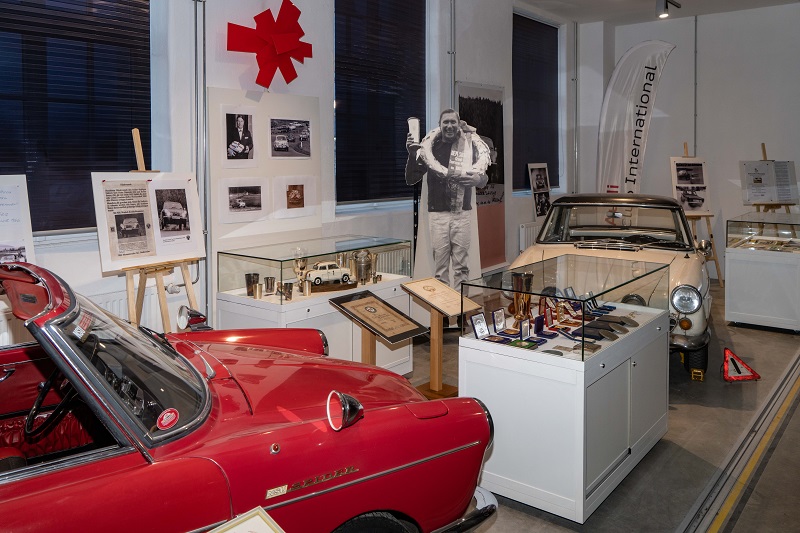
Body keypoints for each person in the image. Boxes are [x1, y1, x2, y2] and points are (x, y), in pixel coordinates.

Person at [405, 109, 490, 290]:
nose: (449, 126)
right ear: (440, 125)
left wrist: (478, 180)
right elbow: (411, 178)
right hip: (438, 215)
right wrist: (412, 154)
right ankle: (443, 308)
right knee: (440, 270)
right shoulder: (431, 147)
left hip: (462, 214)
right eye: (446, 122)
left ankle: (461, 306)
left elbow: (484, 177)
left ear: (458, 124)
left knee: (462, 268)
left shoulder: (468, 144)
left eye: (453, 122)